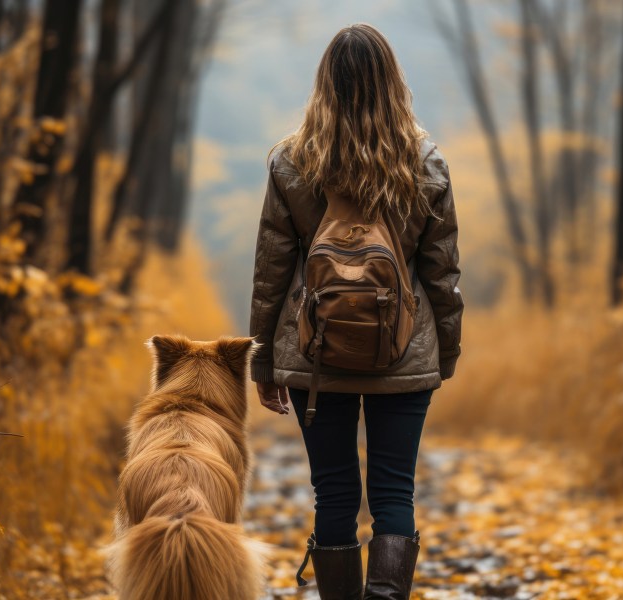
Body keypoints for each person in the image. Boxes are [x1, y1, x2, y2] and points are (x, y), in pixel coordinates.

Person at [249, 23, 463, 599]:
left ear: (325, 85)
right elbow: (442, 273)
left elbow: (271, 271)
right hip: (404, 351)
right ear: (392, 82)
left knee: (335, 493)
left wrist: (264, 360)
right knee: (395, 491)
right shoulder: (425, 161)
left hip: (317, 358)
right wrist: (445, 351)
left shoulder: (292, 161)